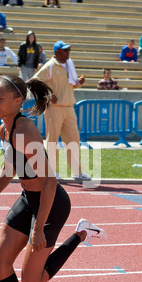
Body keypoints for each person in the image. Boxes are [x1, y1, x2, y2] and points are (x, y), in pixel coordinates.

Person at [0, 74, 106, 282]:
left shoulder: (26, 131)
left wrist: (38, 226)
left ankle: (81, 234)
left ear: (17, 101)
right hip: (28, 199)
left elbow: (49, 181)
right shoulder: (4, 129)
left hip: (50, 203)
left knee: (32, 281)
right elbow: (9, 168)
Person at [34, 40, 92, 180]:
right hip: (54, 109)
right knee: (52, 141)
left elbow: (69, 85)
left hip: (69, 107)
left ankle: (77, 172)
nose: (68, 53)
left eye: (68, 50)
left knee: (74, 140)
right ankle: (51, 171)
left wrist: (78, 83)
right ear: (57, 52)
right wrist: (47, 95)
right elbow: (35, 82)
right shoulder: (50, 66)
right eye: (65, 50)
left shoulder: (69, 64)